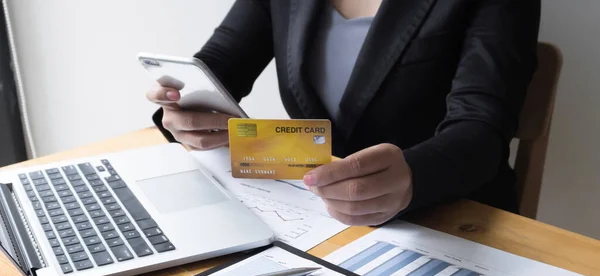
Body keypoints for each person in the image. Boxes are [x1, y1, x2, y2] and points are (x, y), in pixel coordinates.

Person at [147, 0, 541, 226]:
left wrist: (414, 176)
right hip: (311, 208)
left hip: (448, 215)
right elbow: (220, 65)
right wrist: (181, 105)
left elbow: (482, 126)